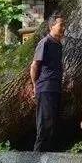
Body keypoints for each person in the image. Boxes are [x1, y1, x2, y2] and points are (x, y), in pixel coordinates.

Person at [30, 12, 65, 152]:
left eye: (64, 25)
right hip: (45, 87)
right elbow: (34, 65)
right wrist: (35, 85)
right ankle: (36, 159)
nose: (63, 28)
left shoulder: (58, 45)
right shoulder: (45, 42)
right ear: (52, 26)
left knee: (52, 125)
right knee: (44, 125)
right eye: (61, 25)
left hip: (56, 88)